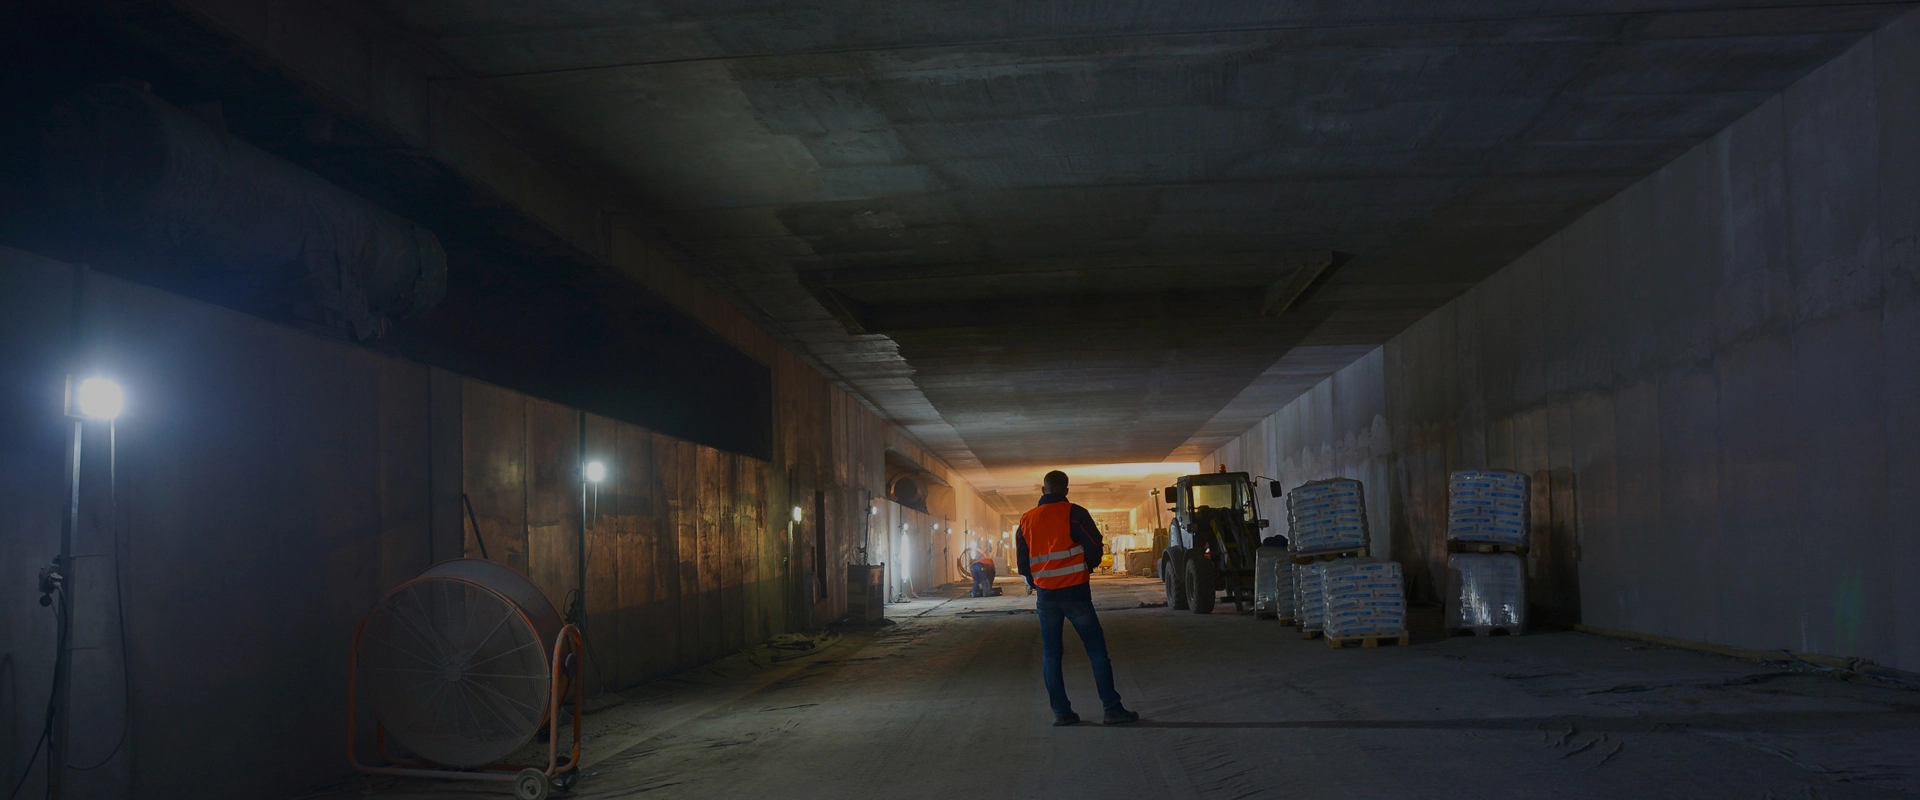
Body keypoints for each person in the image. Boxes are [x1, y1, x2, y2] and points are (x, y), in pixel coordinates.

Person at [1016, 470, 1140, 726]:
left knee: (1051, 654)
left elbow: (1022, 563)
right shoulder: (1074, 512)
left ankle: (1061, 713)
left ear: (1043, 490)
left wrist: (1037, 582)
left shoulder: (1027, 519)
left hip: (1046, 598)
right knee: (1096, 651)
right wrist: (1086, 567)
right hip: (1075, 593)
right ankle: (1111, 709)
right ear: (1067, 490)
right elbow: (1095, 546)